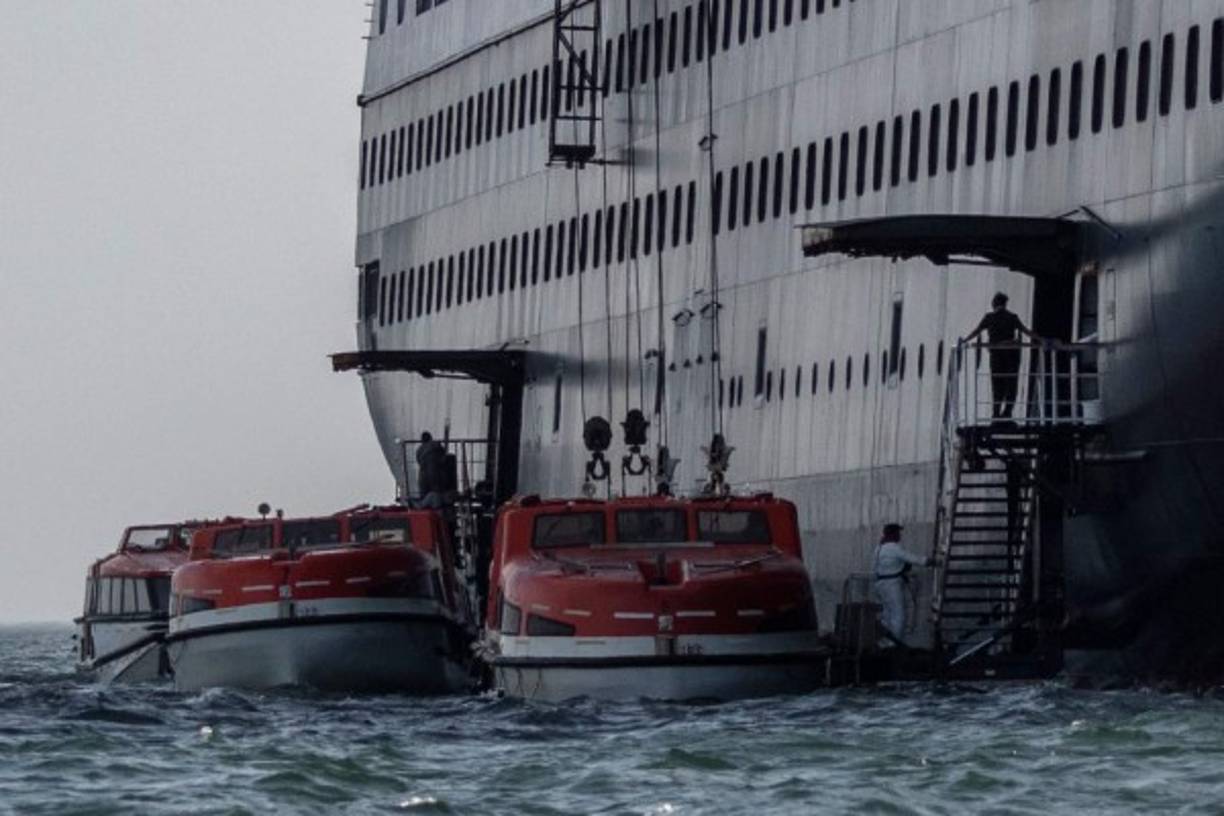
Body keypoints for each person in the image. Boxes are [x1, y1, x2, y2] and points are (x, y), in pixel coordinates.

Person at [964, 292, 1040, 420]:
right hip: (1011, 356)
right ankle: (1007, 412)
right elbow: (1027, 331)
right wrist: (1042, 340)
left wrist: (965, 340)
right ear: (1005, 304)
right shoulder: (1012, 317)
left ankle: (996, 413)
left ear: (994, 303)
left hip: (996, 356)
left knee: (997, 384)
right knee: (1011, 384)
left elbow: (976, 331)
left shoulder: (989, 318)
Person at [873, 523, 933, 645]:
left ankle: (884, 644)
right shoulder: (893, 548)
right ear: (893, 534)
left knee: (887, 615)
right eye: (898, 532)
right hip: (892, 585)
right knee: (898, 615)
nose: (900, 535)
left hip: (880, 584)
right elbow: (912, 558)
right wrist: (929, 561)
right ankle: (895, 644)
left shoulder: (879, 548)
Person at [415, 431, 447, 508]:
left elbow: (419, 461)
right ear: (431, 438)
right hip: (436, 475)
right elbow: (443, 458)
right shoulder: (437, 446)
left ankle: (423, 506)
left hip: (423, 477)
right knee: (437, 494)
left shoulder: (419, 450)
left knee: (424, 496)